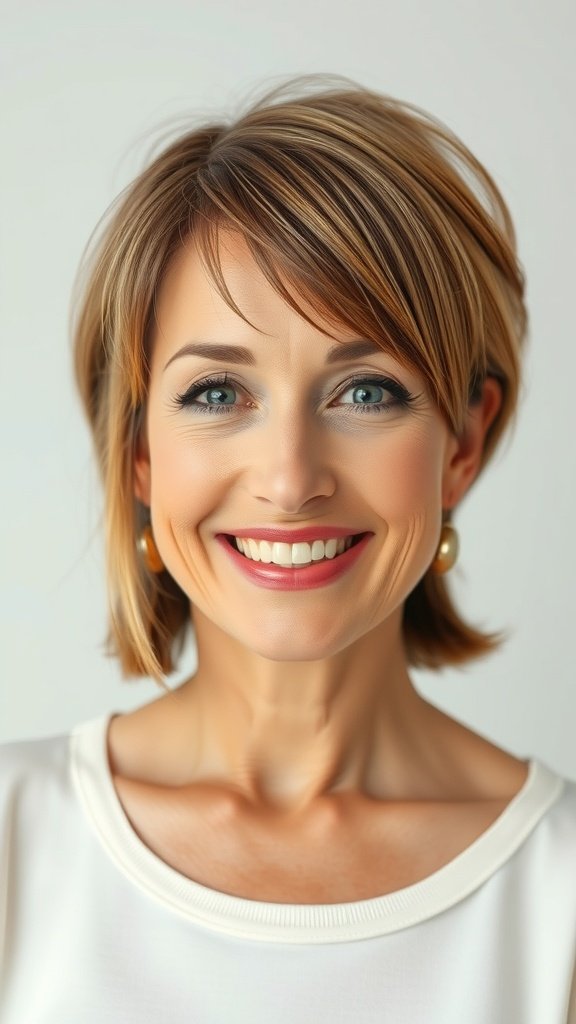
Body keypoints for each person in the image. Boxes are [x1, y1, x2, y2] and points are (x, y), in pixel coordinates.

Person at [1, 73, 575, 1022]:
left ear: (462, 444)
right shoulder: (16, 842)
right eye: (218, 395)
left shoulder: (557, 899)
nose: (289, 477)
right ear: (138, 449)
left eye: (367, 392)